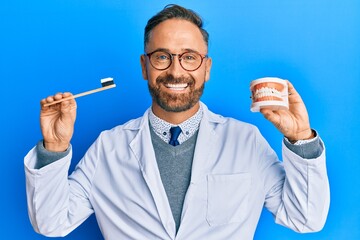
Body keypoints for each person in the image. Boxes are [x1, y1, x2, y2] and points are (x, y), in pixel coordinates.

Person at [24, 4, 330, 240]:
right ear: (144, 67)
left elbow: (305, 218)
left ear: (206, 68)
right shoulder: (109, 148)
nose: (176, 71)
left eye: (189, 57)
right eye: (161, 57)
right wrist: (54, 146)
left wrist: (301, 137)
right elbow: (51, 222)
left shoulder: (245, 141)